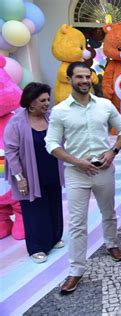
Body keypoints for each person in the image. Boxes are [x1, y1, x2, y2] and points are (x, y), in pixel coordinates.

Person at [45, 62, 121, 294]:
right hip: (76, 173)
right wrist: (77, 162)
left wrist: (112, 152)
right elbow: (51, 143)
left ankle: (112, 244)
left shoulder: (104, 105)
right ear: (69, 78)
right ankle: (76, 270)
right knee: (76, 223)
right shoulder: (60, 111)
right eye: (79, 76)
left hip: (103, 169)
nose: (84, 80)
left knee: (109, 212)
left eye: (87, 76)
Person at [4, 82, 65, 264]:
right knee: (34, 211)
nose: (47, 103)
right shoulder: (17, 122)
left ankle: (54, 238)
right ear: (31, 103)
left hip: (52, 170)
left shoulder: (50, 117)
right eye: (43, 100)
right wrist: (19, 178)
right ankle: (37, 247)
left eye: (48, 99)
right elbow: (10, 151)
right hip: (29, 175)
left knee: (54, 205)